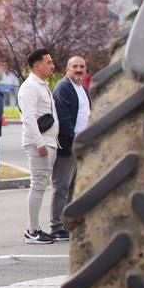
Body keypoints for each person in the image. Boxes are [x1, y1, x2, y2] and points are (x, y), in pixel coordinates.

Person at [19, 47, 60, 244]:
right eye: (48, 62)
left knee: (42, 185)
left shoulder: (42, 85)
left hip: (50, 142)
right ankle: (32, 230)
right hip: (40, 144)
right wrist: (40, 143)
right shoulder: (29, 87)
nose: (52, 66)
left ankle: (35, 227)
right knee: (37, 185)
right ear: (37, 65)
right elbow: (28, 118)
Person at [50, 56, 90, 241]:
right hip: (68, 147)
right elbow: (64, 120)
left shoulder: (82, 89)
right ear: (68, 69)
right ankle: (57, 226)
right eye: (75, 66)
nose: (79, 69)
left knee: (74, 188)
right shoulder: (64, 88)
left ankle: (69, 222)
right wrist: (75, 141)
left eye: (82, 66)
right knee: (62, 187)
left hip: (81, 146)